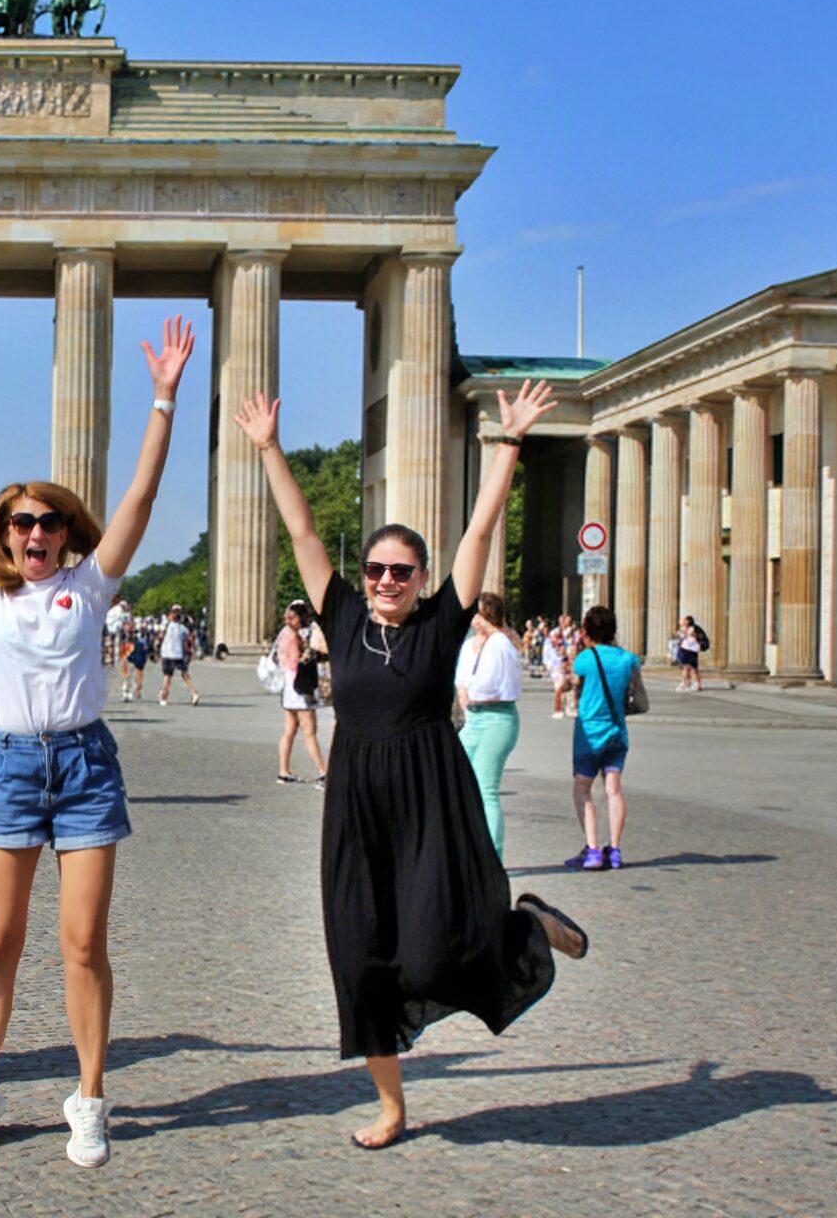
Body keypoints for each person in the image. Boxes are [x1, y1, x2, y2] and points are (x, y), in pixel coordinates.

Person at [235, 381, 589, 1152]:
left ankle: (525, 925)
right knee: (361, 960)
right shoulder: (342, 615)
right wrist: (268, 449)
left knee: (432, 954)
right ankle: (392, 1108)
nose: (387, 581)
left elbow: (481, 528)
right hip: (356, 805)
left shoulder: (441, 623)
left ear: (424, 578)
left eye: (402, 571)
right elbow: (301, 531)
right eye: (376, 570)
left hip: (431, 798)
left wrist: (509, 442)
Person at [0, 317, 191, 1169]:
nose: (34, 532)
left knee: (84, 943)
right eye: (20, 522)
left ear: (66, 531)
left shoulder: (90, 587)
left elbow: (139, 499)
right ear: (4, 533)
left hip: (86, 766)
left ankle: (88, 1099)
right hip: (11, 768)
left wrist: (164, 399)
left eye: (48, 520)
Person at [563, 607, 646, 870]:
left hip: (589, 732)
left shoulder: (585, 659)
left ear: (587, 631)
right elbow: (640, 697)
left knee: (582, 788)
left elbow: (571, 685)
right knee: (614, 789)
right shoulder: (629, 659)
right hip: (617, 731)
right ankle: (615, 850)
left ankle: (593, 850)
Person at [453, 593, 522, 857]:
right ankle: (466, 851)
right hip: (474, 718)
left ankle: (492, 858)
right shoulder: (470, 644)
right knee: (457, 779)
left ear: (485, 614)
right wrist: (464, 694)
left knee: (486, 788)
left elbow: (492, 685)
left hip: (497, 717)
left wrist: (469, 692)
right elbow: (461, 678)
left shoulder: (501, 643)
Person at [275, 600, 328, 784]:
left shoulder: (283, 633)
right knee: (309, 732)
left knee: (289, 731)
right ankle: (323, 771)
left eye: (292, 617)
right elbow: (309, 656)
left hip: (289, 685)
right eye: (289, 617)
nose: (289, 621)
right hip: (301, 686)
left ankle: (284, 771)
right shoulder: (299, 635)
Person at [156, 605, 201, 707]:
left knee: (167, 675)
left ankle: (164, 696)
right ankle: (193, 693)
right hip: (178, 654)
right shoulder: (182, 628)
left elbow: (160, 637)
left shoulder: (166, 625)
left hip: (167, 653)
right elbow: (189, 639)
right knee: (184, 674)